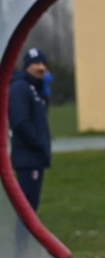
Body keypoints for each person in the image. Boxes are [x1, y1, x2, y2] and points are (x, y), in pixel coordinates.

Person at [9, 48, 52, 211]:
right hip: (27, 157)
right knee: (26, 208)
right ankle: (20, 238)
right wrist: (38, 143)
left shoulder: (36, 88)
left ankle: (22, 237)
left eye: (43, 64)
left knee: (31, 207)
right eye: (36, 63)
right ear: (27, 66)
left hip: (35, 156)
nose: (41, 68)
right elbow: (20, 121)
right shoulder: (20, 87)